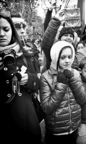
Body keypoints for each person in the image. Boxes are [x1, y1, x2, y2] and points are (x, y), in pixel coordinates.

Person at [0, 6, 41, 144]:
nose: (2, 34)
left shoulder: (26, 54)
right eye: (18, 26)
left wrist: (28, 79)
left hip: (25, 120)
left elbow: (38, 81)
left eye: (6, 29)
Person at [40, 41, 86, 144]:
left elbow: (82, 99)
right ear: (56, 57)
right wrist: (61, 84)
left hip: (73, 127)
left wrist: (73, 79)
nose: (67, 61)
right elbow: (47, 108)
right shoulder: (46, 77)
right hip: (56, 131)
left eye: (70, 57)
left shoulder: (75, 73)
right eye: (63, 57)